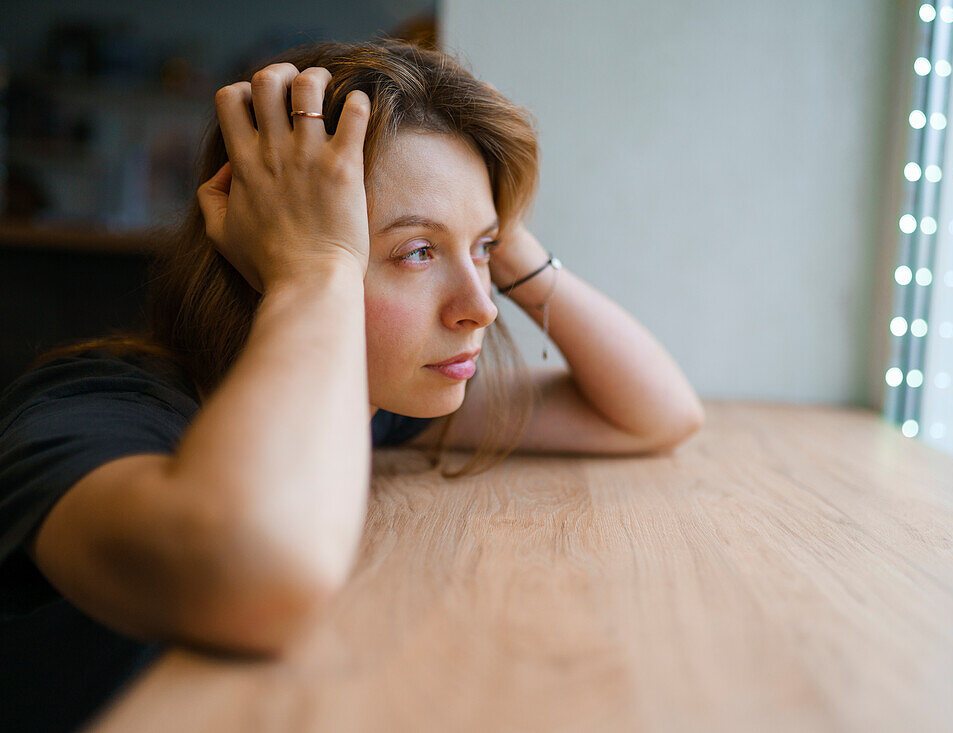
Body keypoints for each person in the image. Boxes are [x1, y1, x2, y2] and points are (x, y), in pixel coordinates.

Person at [0, 38, 704, 731]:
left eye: (482, 252)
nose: (482, 305)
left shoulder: (369, 400)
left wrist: (497, 230)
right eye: (417, 251)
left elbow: (655, 413)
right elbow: (248, 579)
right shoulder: (88, 408)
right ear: (265, 240)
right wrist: (313, 268)